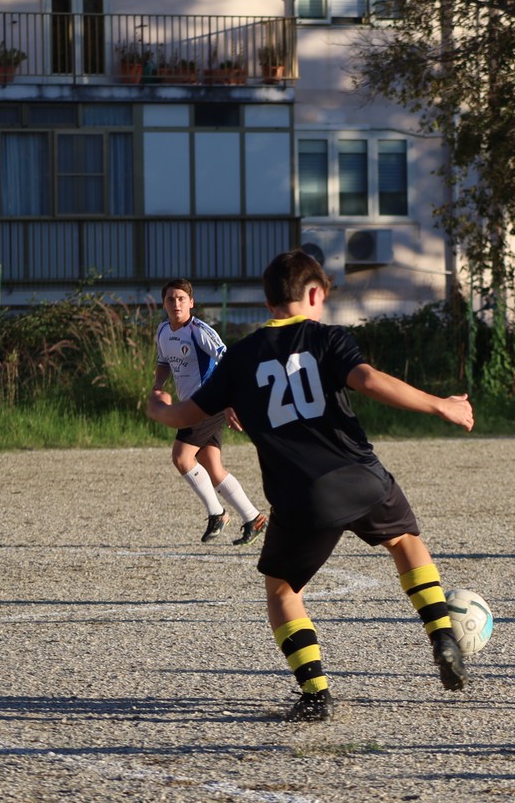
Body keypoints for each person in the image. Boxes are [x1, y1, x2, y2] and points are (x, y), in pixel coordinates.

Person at [144, 250, 473, 723]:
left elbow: (182, 414)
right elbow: (368, 380)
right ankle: (441, 634)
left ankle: (316, 694)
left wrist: (157, 406)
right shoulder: (327, 338)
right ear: (315, 294)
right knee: (404, 541)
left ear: (267, 301)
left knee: (282, 590)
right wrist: (440, 404)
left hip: (300, 497)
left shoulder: (240, 358)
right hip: (361, 476)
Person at [154, 278, 264, 545]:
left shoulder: (200, 331)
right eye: (171, 299)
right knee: (213, 468)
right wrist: (157, 387)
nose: (176, 303)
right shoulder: (163, 331)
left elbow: (228, 364)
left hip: (206, 404)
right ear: (164, 303)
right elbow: (163, 362)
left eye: (182, 298)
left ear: (191, 302)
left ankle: (217, 514)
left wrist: (228, 402)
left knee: (181, 457)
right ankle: (254, 518)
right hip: (193, 404)